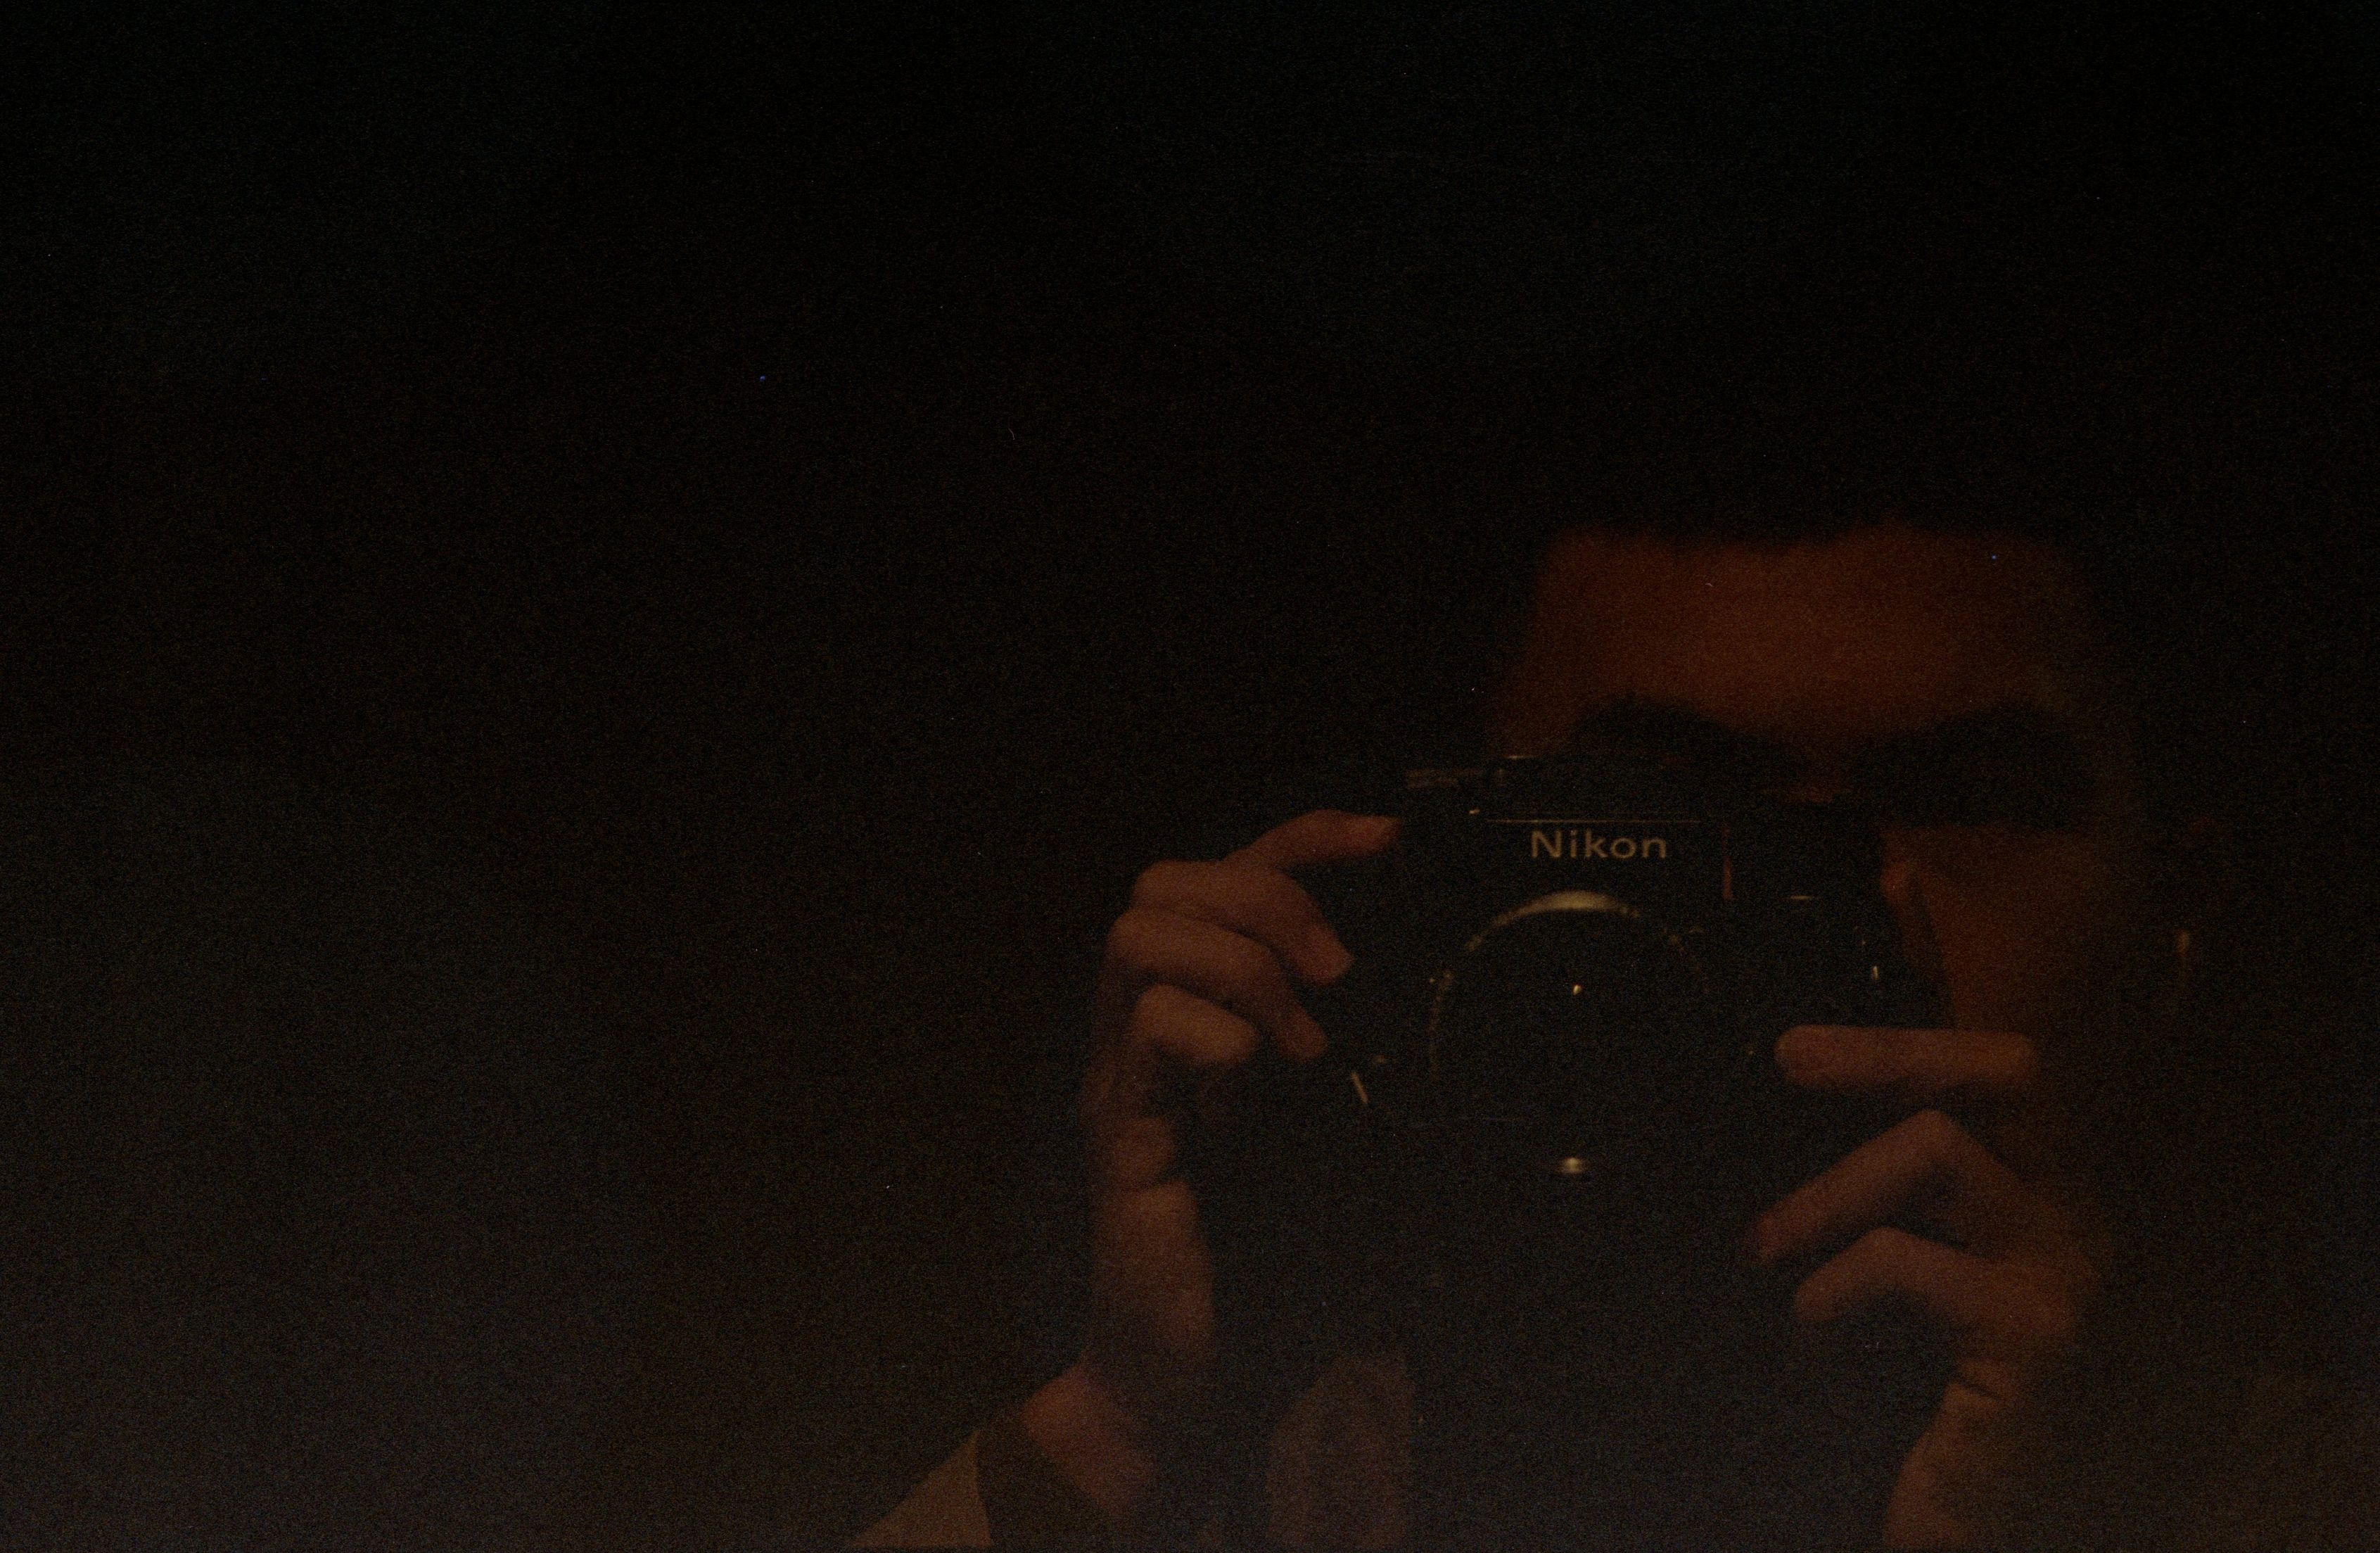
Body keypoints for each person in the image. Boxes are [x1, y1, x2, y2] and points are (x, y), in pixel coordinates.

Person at [859, 515, 2376, 1549]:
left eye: (1969, 800)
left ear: (2176, 918)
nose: (1839, 911)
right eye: (1679, 807)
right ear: (1442, 868)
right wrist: (1112, 1438)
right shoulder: (1260, 1486)